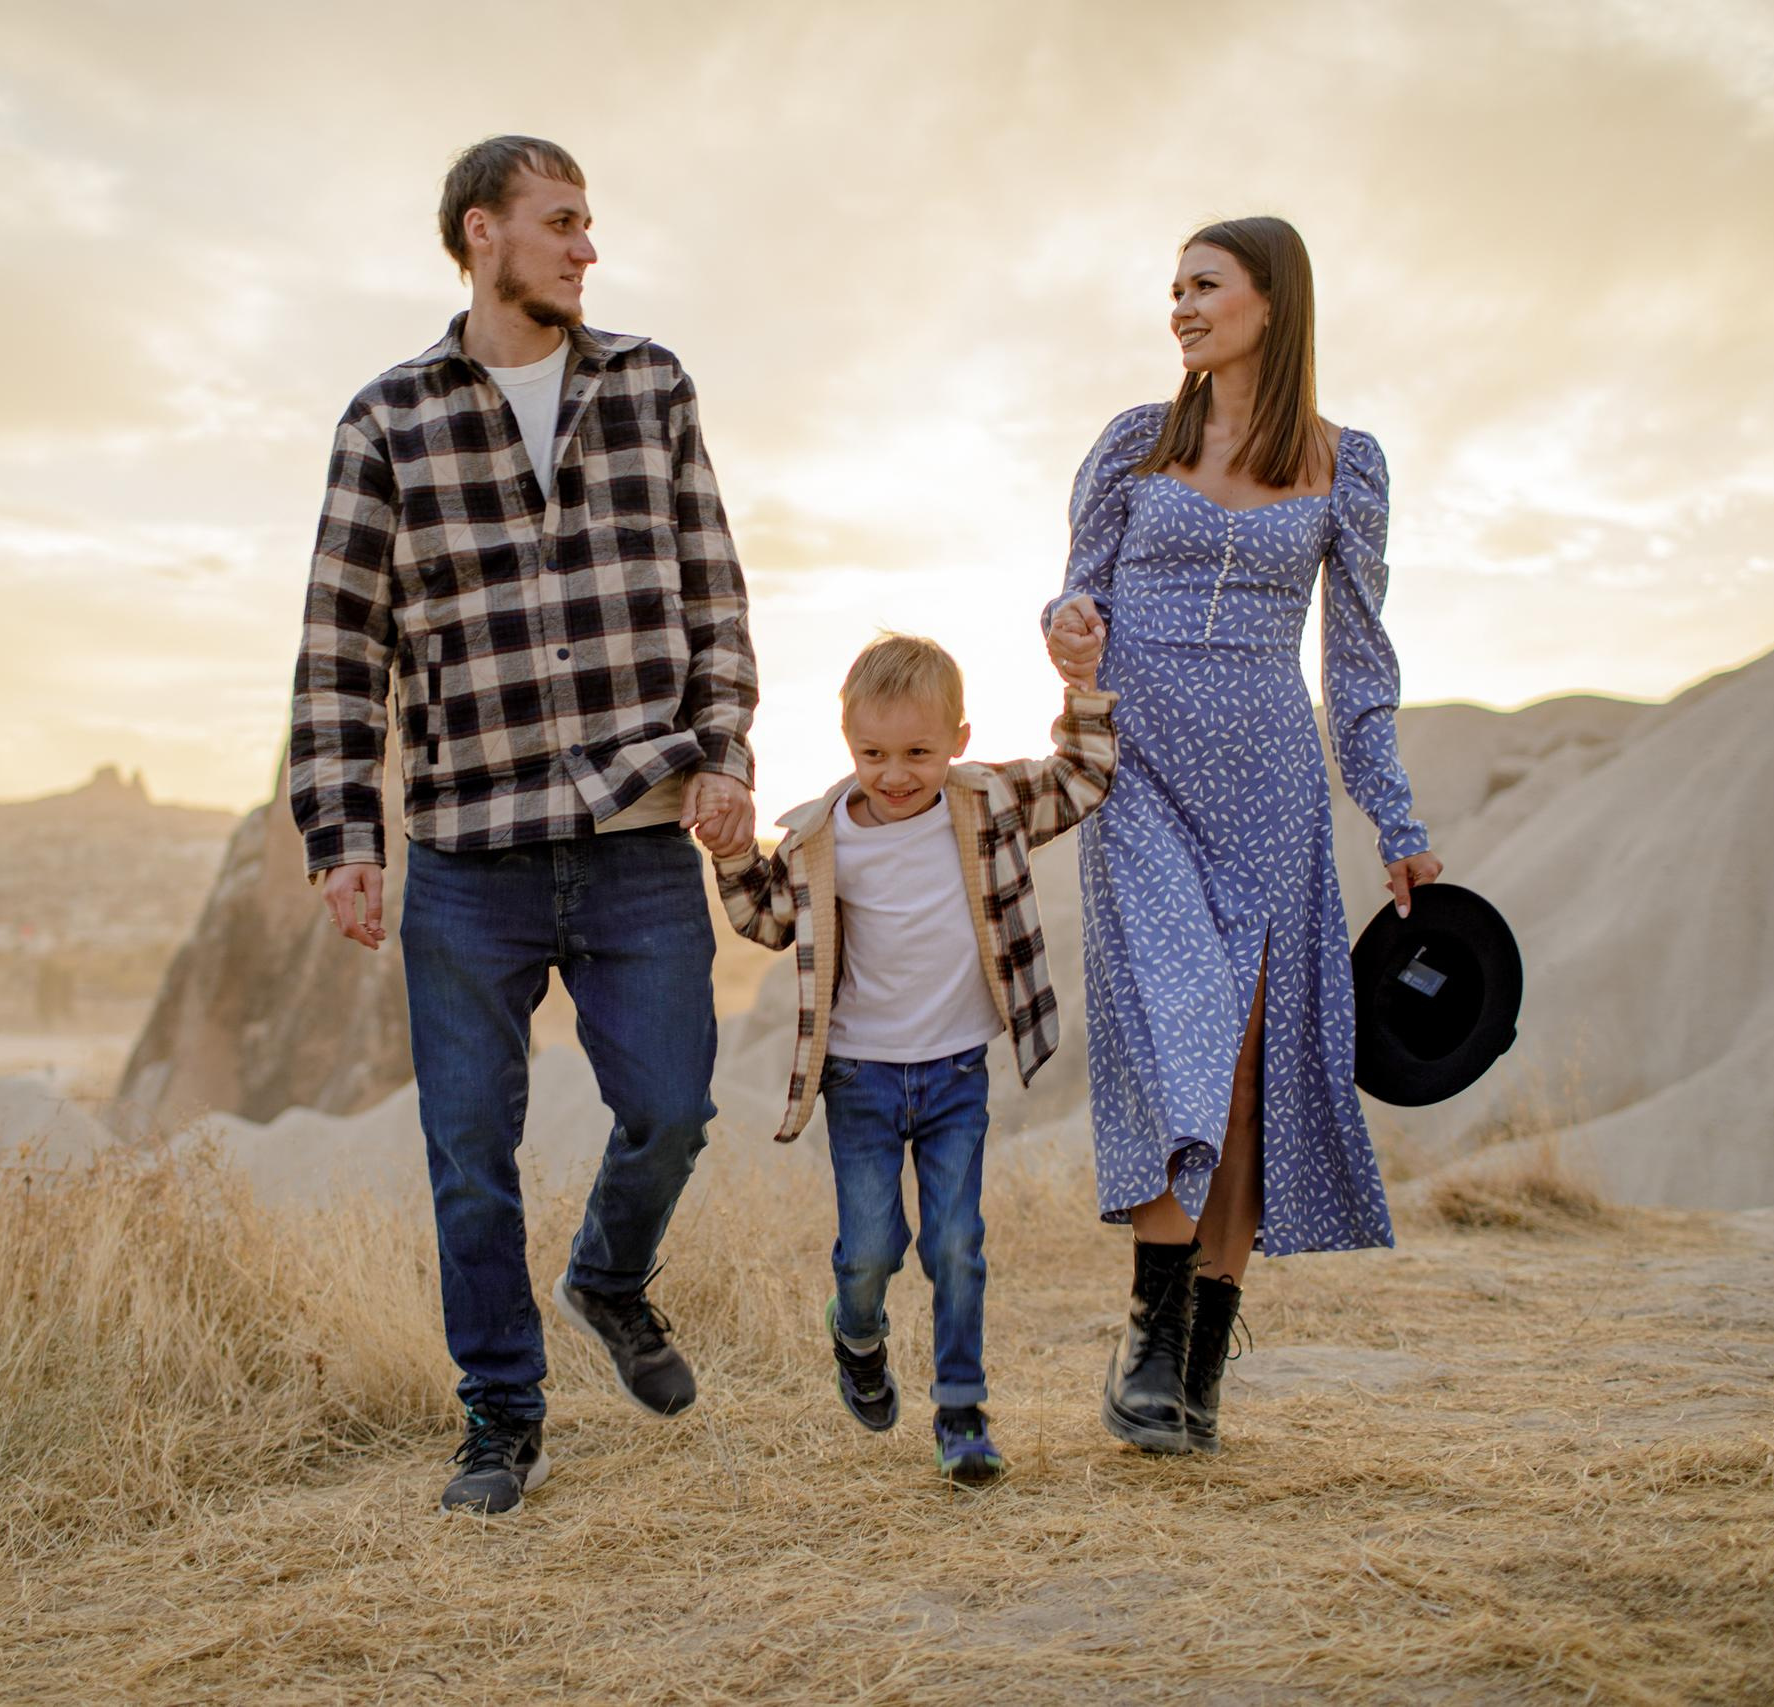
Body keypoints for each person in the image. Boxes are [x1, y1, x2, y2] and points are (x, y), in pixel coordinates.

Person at [288, 135, 760, 1515]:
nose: (586, 247)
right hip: (467, 852)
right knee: (468, 1159)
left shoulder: (651, 385)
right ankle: (501, 1419)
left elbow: (715, 591)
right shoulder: (388, 421)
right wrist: (344, 833)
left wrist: (723, 753)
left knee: (670, 1108)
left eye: (589, 223)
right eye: (560, 221)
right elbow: (341, 642)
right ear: (481, 233)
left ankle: (607, 1278)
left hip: (636, 829)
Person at [1043, 216, 1444, 1456]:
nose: (1179, 306)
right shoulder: (1134, 444)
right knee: (1178, 1038)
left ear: (1272, 301)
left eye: (1203, 286)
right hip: (1139, 776)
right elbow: (1076, 591)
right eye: (1173, 288)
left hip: (1270, 789)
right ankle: (1146, 1341)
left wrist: (1392, 815)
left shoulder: (1345, 465)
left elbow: (1358, 661)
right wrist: (1068, 631)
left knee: (1247, 1074)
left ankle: (1196, 1367)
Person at [716, 634, 1116, 1485]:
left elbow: (1083, 777)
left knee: (957, 1243)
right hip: (858, 1077)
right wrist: (730, 851)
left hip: (954, 1073)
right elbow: (765, 920)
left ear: (959, 740)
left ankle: (961, 1411)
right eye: (873, 754)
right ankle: (857, 1332)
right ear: (847, 741)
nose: (894, 775)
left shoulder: (990, 801)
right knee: (870, 1250)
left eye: (918, 753)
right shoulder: (820, 836)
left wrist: (1082, 686)